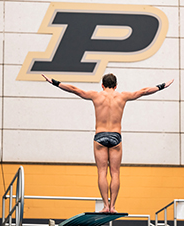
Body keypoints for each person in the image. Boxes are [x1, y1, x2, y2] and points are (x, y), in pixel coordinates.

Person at [42, 73, 173, 213]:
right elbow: (144, 91)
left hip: (100, 136)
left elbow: (74, 89)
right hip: (116, 136)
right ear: (116, 86)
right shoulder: (122, 96)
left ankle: (105, 205)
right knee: (115, 173)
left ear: (102, 85)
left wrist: (54, 82)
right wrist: (162, 86)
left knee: (102, 172)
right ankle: (113, 206)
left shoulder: (96, 95)